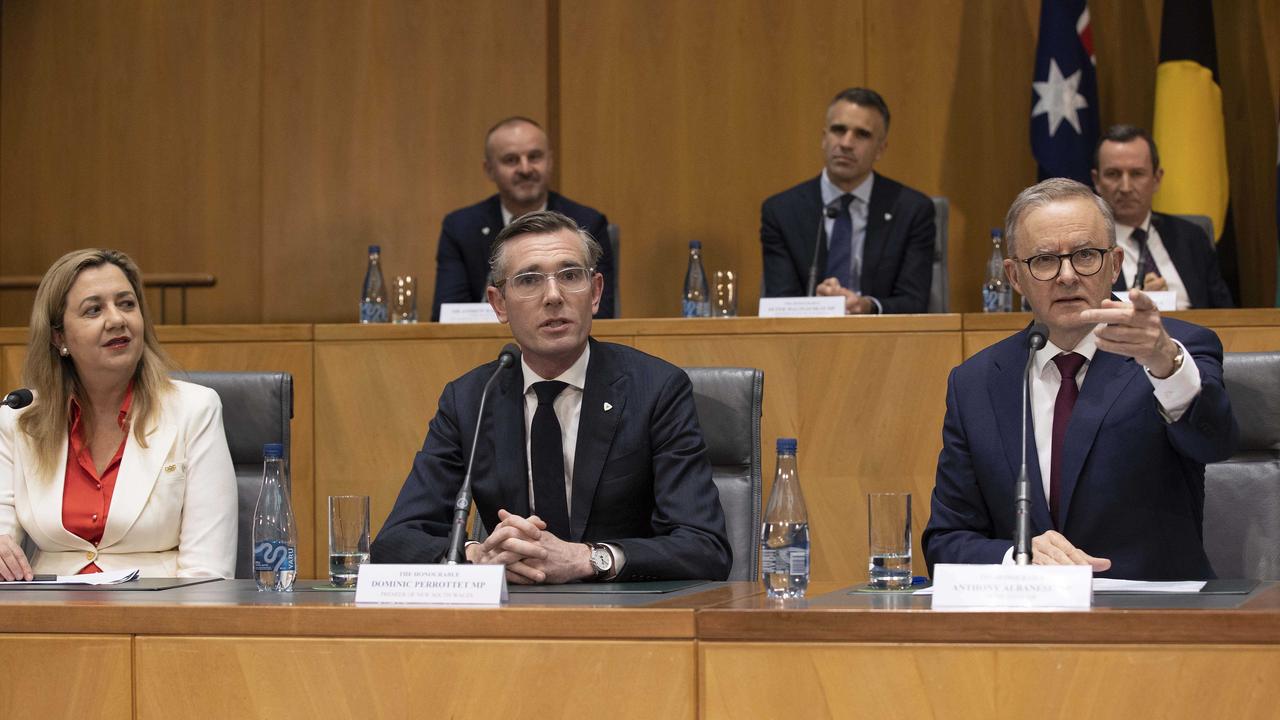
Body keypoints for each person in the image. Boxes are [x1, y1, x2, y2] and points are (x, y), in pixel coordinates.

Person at [374, 211, 731, 583]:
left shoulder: (656, 389)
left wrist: (590, 559)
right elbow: (395, 541)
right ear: (499, 304)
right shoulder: (470, 400)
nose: (553, 296)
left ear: (595, 293)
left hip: (626, 619)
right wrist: (475, 557)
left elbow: (705, 546)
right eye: (529, 280)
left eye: (570, 276)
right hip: (508, 623)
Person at [923, 179, 1237, 580]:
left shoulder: (1177, 348)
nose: (1068, 276)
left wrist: (1165, 362)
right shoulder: (976, 383)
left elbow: (1215, 443)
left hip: (1153, 623)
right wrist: (1017, 557)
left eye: (1086, 255)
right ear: (1015, 277)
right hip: (1027, 629)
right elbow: (946, 542)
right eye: (1044, 260)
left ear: (1115, 263)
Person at [0, 249, 237, 580]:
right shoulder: (18, 419)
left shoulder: (195, 410)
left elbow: (208, 570)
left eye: (127, 304)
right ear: (59, 337)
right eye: (94, 310)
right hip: (47, 615)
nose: (116, 320)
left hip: (156, 615)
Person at [760, 87, 935, 314]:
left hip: (886, 341)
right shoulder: (782, 211)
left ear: (880, 149)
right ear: (824, 138)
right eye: (838, 130)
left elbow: (914, 302)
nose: (846, 143)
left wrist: (867, 305)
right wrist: (820, 304)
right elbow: (780, 301)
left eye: (862, 134)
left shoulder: (911, 210)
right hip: (806, 343)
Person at [430, 116, 616, 321]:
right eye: (511, 160)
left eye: (535, 157)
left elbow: (600, 312)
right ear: (489, 169)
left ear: (550, 161)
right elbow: (446, 316)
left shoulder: (587, 223)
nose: (525, 169)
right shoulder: (461, 227)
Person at [1092, 124, 1234, 309]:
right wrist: (1134, 303)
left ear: (1157, 179)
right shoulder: (1088, 245)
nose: (1125, 187)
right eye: (1113, 174)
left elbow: (1225, 313)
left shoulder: (1192, 236)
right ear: (1097, 181)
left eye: (1137, 174)